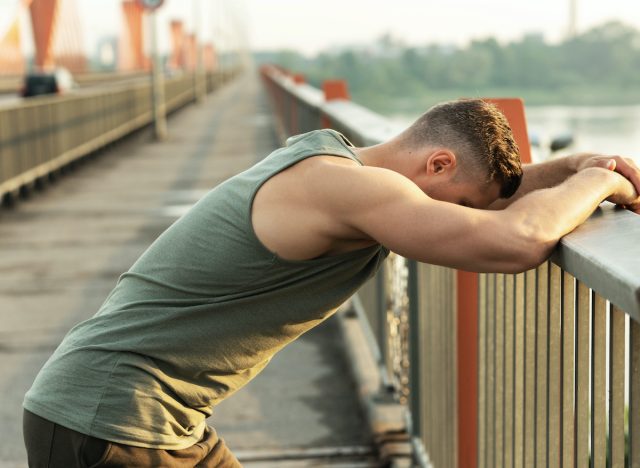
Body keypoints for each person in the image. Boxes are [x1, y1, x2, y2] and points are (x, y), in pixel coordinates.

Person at [22, 99, 640, 467]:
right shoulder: (347, 187)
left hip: (141, 415)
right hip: (113, 420)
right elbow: (514, 242)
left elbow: (502, 194)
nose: (465, 219)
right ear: (438, 163)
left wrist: (580, 164)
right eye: (464, 203)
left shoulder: (338, 164)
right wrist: (604, 185)